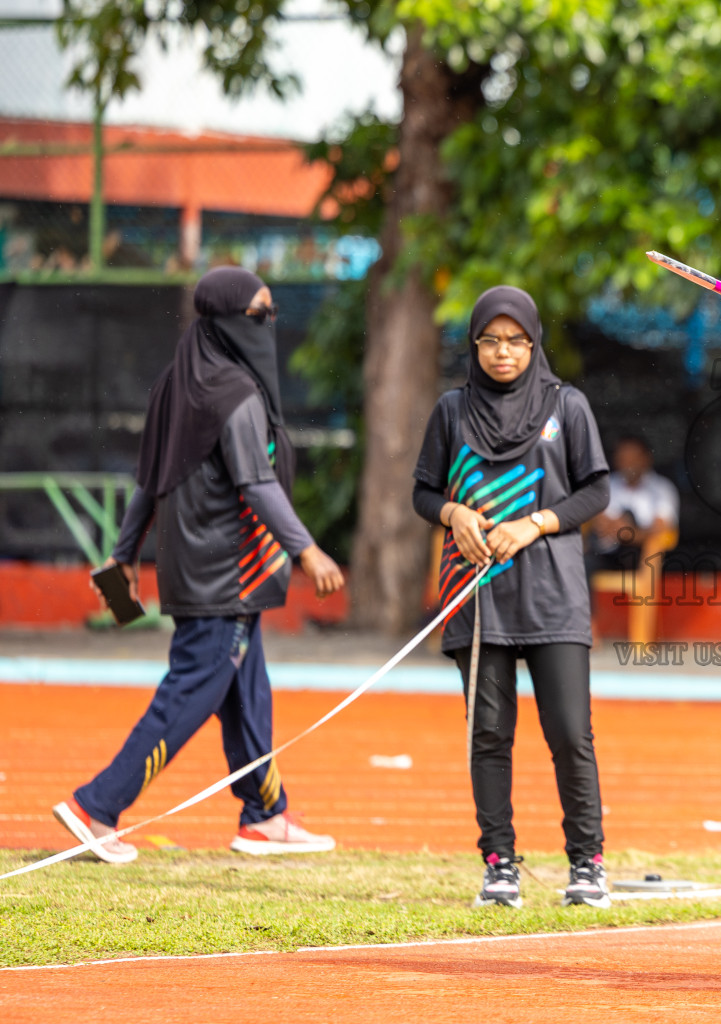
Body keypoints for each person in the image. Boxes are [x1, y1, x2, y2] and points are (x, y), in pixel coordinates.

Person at [54, 266, 345, 864]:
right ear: (227, 320)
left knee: (246, 691)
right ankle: (97, 805)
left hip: (203, 569)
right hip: (227, 574)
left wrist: (123, 552)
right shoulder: (235, 395)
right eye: (258, 315)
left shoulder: (176, 383)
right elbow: (257, 484)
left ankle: (265, 815)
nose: (268, 324)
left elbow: (147, 484)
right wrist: (306, 549)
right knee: (194, 689)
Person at [412, 286, 612, 909]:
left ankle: (588, 863)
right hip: (478, 597)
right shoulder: (451, 410)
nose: (503, 353)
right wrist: (452, 514)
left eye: (516, 340)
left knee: (570, 735)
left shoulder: (566, 405)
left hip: (553, 595)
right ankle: (499, 864)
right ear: (475, 345)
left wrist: (536, 523)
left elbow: (595, 491)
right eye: (490, 340)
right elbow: (421, 491)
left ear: (533, 343)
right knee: (489, 736)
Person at [587, 434, 679, 572]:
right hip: (607, 556)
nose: (628, 463)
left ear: (646, 459)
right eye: (623, 458)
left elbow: (662, 531)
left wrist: (629, 534)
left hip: (644, 559)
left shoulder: (662, 489)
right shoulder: (606, 485)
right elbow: (597, 521)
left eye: (633, 458)